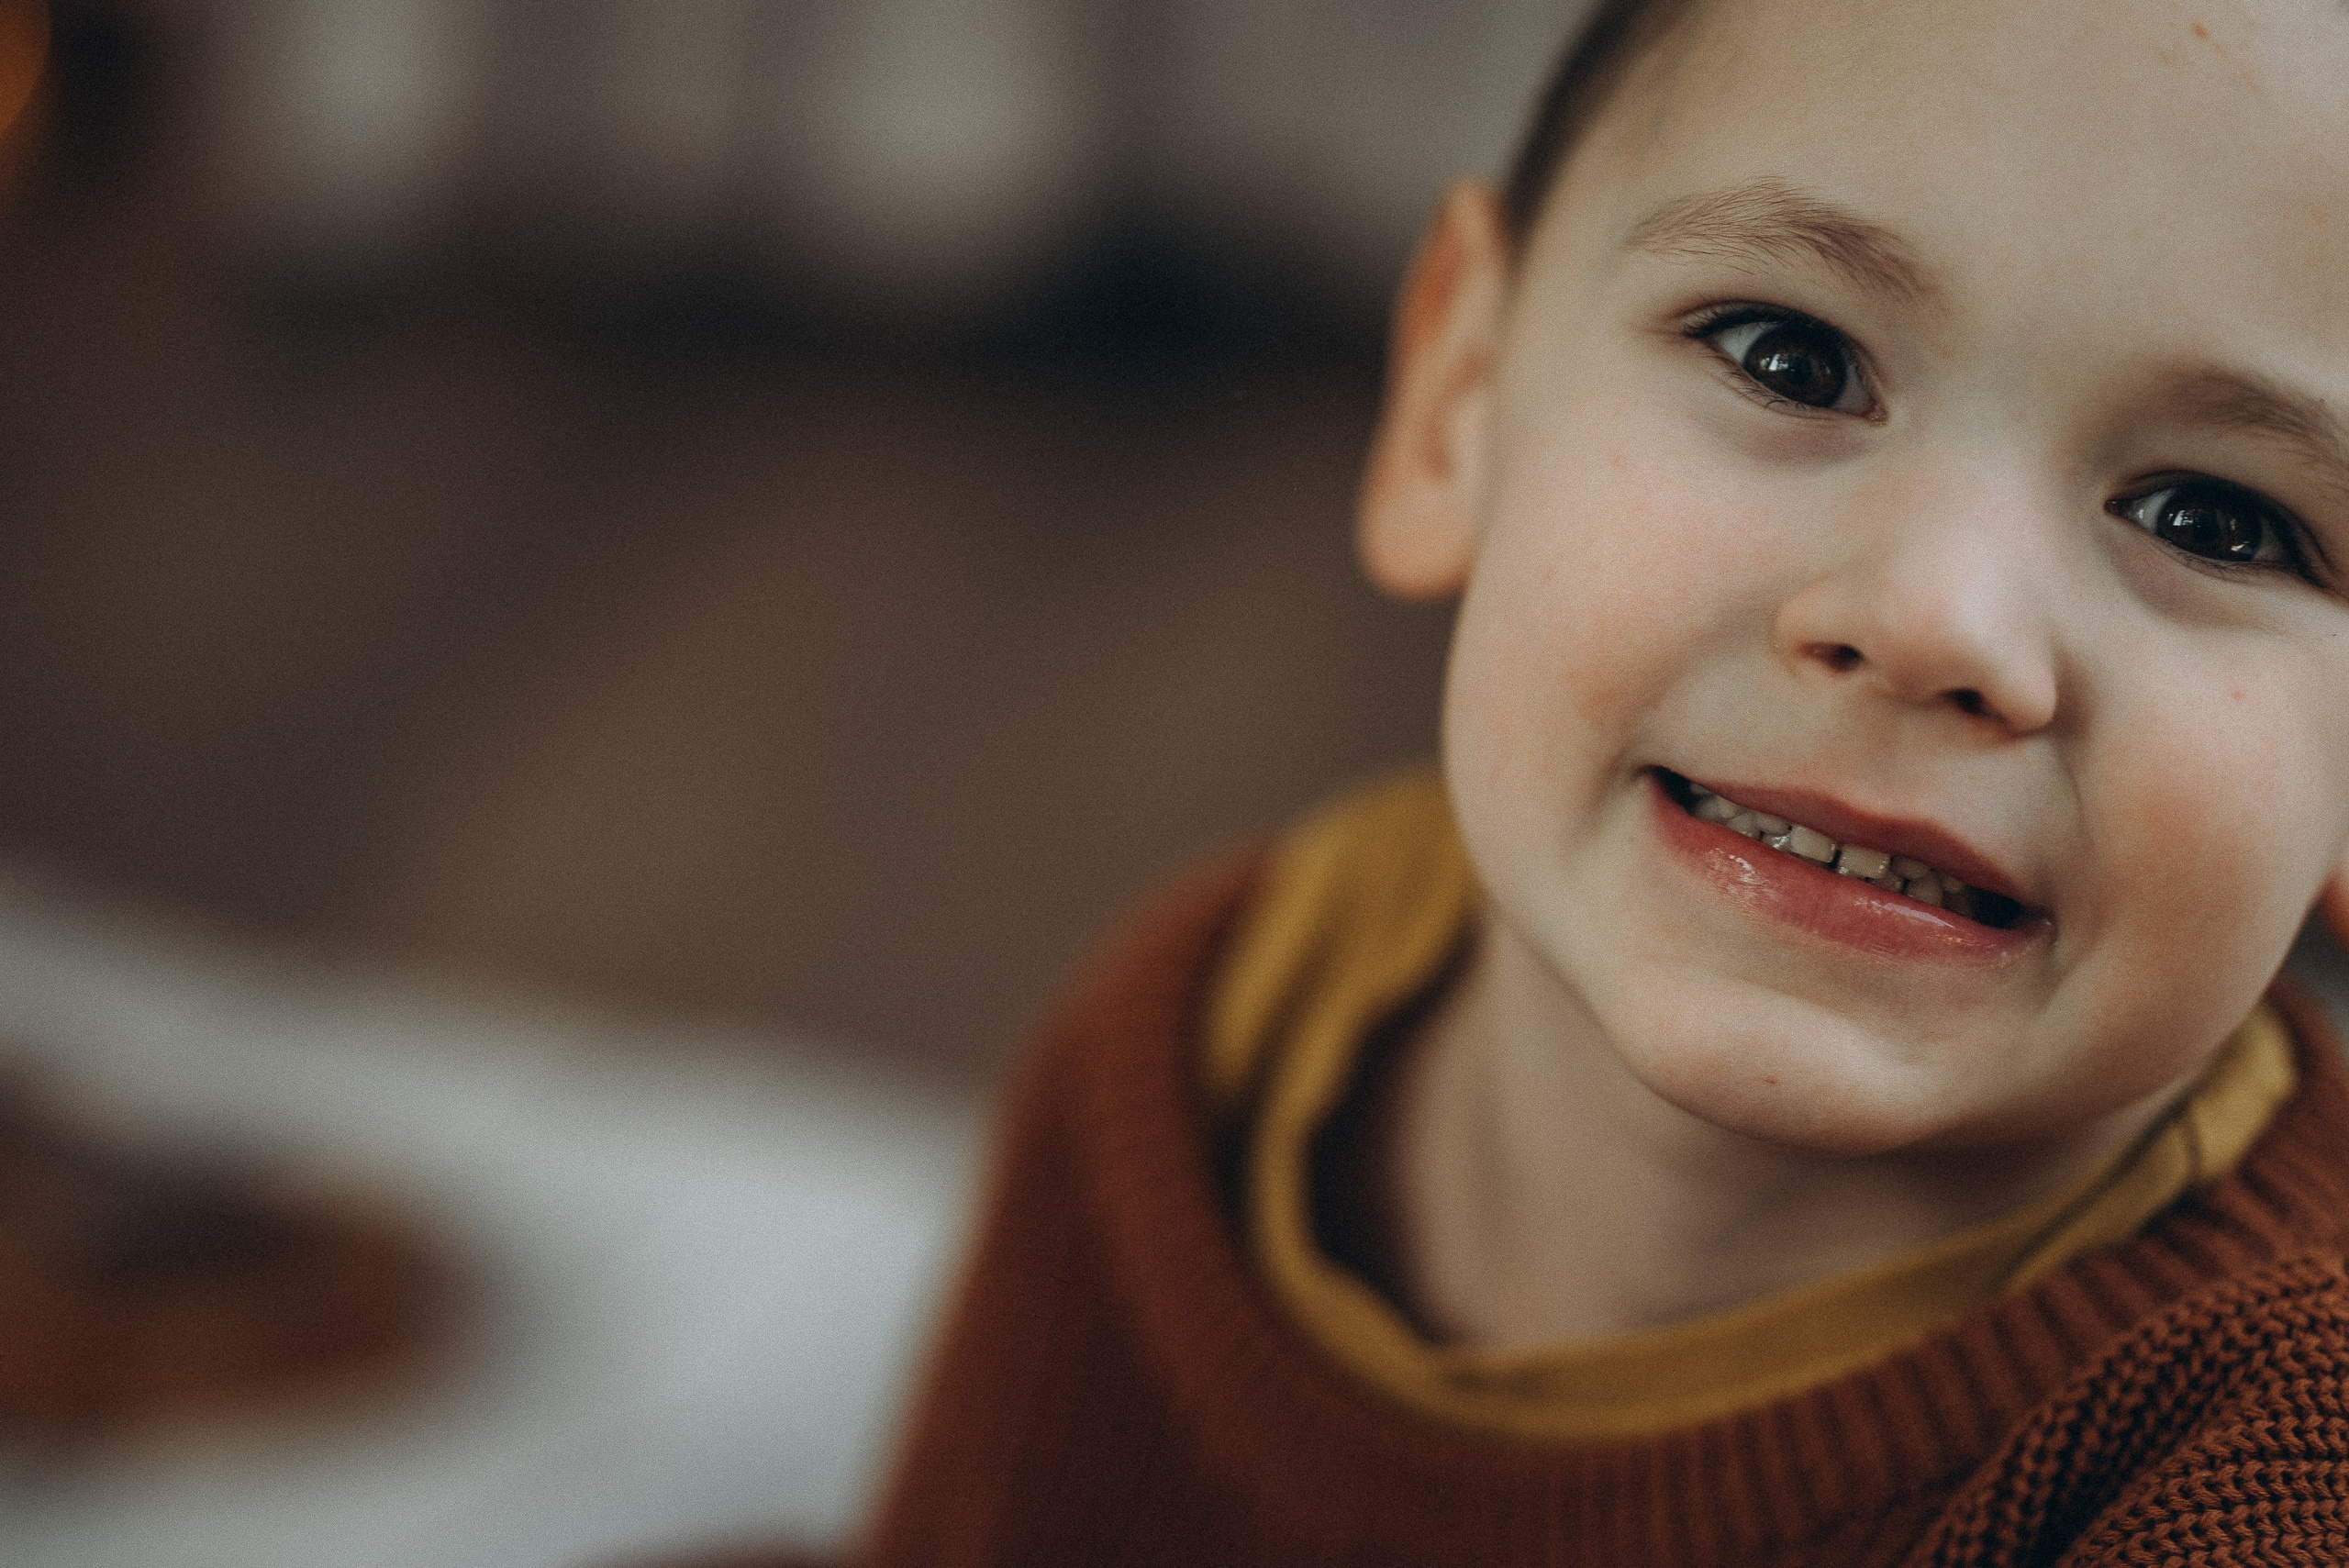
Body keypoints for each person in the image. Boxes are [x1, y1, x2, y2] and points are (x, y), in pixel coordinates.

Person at [850, 0, 2349, 1562]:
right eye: (1794, 358)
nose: (1933, 622)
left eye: (2214, 520)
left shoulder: (2275, 1468)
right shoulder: (1200, 1046)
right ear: (1459, 406)